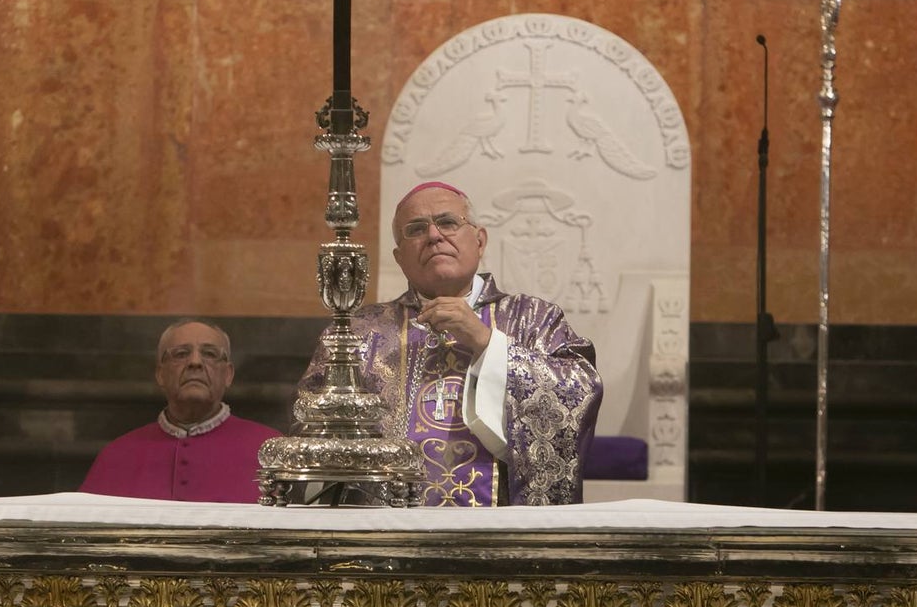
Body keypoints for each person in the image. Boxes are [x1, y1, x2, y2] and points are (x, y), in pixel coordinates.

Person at [298, 181, 603, 506]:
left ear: (480, 240)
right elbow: (309, 421)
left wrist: (489, 344)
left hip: (501, 534)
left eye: (447, 222)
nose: (433, 236)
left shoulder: (536, 319)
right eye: (416, 229)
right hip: (388, 533)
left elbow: (581, 390)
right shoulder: (361, 331)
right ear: (400, 258)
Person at [80, 318, 282, 503]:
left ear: (228, 375)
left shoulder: (273, 453)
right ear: (160, 374)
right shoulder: (117, 455)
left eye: (210, 354)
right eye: (181, 354)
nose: (195, 362)